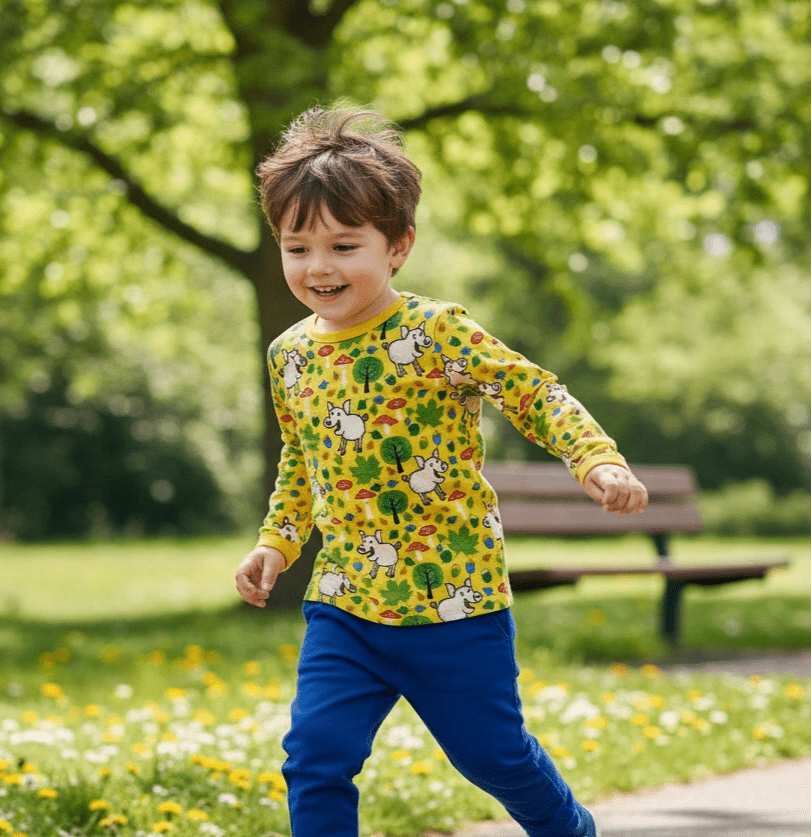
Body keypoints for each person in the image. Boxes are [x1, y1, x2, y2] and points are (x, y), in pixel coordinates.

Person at [236, 105, 648, 837]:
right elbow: (300, 458)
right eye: (297, 248)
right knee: (315, 757)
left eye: (343, 244)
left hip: (453, 599)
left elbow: (531, 389)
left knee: (492, 756)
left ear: (398, 246)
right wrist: (278, 541)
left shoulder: (435, 331)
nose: (318, 266)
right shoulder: (289, 354)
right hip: (347, 600)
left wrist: (594, 457)